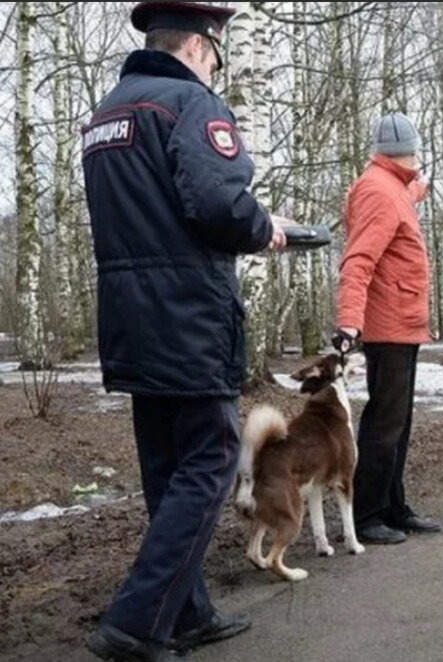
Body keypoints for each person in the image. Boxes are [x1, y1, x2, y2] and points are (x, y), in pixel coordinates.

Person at [80, 3, 291, 661]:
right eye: (216, 54)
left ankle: (188, 611)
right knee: (208, 461)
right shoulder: (191, 104)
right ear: (201, 46)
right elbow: (218, 204)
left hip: (130, 314)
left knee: (167, 468)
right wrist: (265, 229)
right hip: (189, 312)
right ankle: (138, 623)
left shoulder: (106, 115)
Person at [331, 112, 441, 545]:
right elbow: (359, 261)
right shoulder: (378, 190)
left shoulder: (392, 185)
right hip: (388, 323)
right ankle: (368, 515)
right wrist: (348, 322)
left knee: (400, 421)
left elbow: (404, 196)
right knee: (383, 423)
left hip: (404, 321)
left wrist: (417, 189)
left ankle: (393, 506)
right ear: (406, 151)